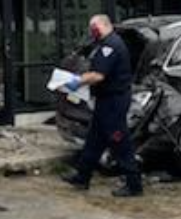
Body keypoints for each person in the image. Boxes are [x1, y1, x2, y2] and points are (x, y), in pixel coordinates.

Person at [59, 14, 143, 197]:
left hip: (114, 101)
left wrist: (76, 81)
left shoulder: (111, 46)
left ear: (104, 25)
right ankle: (82, 176)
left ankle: (134, 183)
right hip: (106, 99)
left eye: (94, 28)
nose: (92, 31)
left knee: (119, 140)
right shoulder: (105, 45)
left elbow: (98, 75)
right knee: (94, 139)